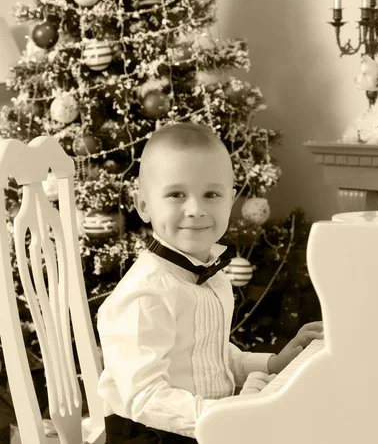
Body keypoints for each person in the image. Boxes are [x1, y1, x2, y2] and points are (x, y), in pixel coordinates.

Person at [97, 123, 323, 443]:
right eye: (176, 194)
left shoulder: (210, 275)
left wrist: (273, 362)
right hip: (153, 433)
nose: (196, 209)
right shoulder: (144, 294)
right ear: (144, 205)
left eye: (211, 194)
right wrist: (222, 416)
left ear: (230, 201)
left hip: (203, 421)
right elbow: (143, 397)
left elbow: (207, 355)